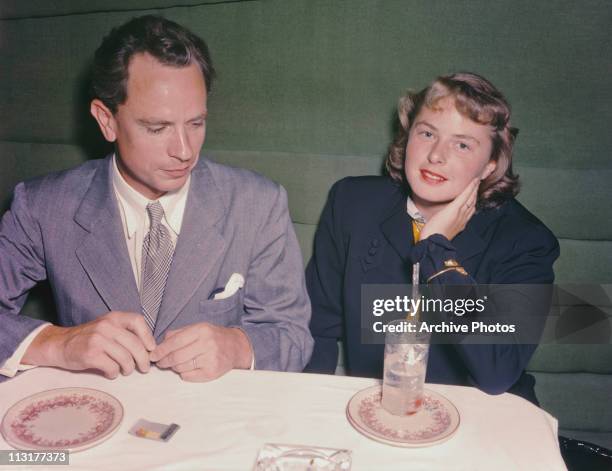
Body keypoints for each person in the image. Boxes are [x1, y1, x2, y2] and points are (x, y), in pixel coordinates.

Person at [0, 15, 313, 382]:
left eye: (196, 123)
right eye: (157, 127)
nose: (184, 151)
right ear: (106, 120)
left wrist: (238, 345)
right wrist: (58, 344)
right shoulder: (41, 207)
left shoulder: (258, 204)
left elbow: (293, 335)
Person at [304, 72, 559, 404]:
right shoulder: (352, 204)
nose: (436, 155)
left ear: (489, 165)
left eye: (463, 144)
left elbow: (497, 371)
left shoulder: (525, 241)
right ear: (408, 135)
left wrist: (438, 253)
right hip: (379, 411)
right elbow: (315, 328)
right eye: (427, 133)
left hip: (483, 418)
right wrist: (305, 413)